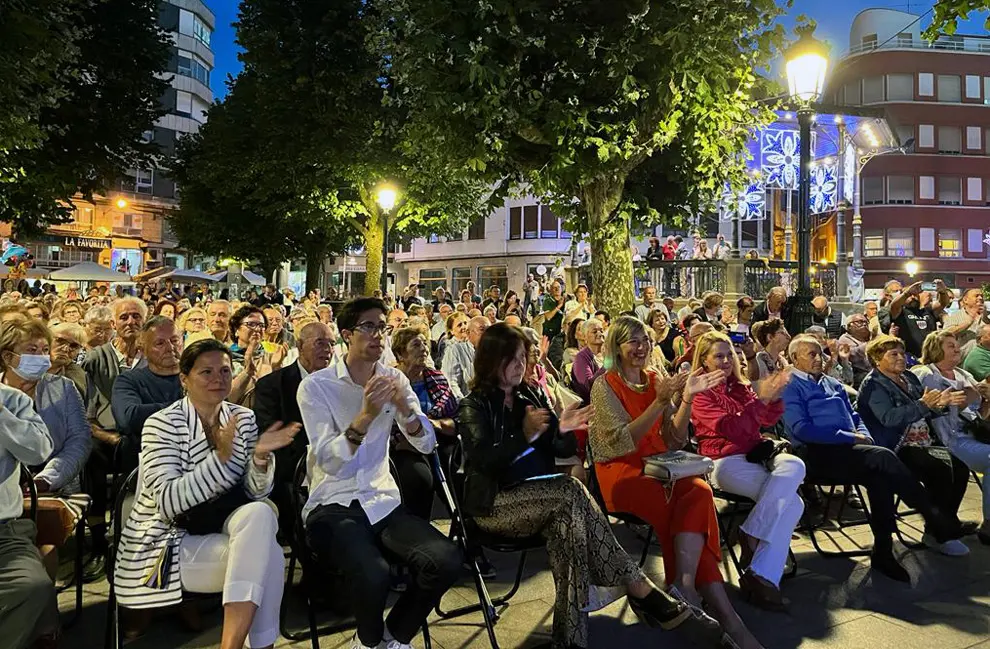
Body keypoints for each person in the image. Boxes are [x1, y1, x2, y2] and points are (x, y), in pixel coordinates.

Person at [461, 322, 714, 649]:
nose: (520, 365)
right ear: (491, 360)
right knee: (571, 491)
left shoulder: (529, 395)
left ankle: (570, 642)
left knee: (570, 531)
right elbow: (483, 462)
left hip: (545, 502)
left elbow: (562, 451)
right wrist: (523, 436)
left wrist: (562, 429)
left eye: (523, 357)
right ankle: (641, 588)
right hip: (495, 507)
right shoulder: (474, 405)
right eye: (511, 358)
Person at [297, 298, 460, 649]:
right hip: (332, 504)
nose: (378, 335)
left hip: (381, 499)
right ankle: (368, 642)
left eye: (382, 327)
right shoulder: (316, 387)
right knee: (374, 573)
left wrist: (405, 409)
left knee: (445, 559)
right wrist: (366, 415)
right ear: (346, 335)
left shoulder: (393, 378)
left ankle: (395, 635)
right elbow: (330, 462)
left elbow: (427, 445)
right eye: (368, 327)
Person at [114, 338, 298, 649]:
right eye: (207, 372)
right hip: (167, 540)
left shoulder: (243, 418)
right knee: (270, 557)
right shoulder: (162, 424)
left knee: (261, 513)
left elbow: (254, 492)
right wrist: (221, 458)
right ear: (184, 379)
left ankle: (232, 645)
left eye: (225, 371)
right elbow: (169, 502)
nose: (219, 380)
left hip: (226, 529)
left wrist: (260, 458)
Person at [588, 317, 763, 645]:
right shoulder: (605, 385)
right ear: (617, 347)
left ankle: (686, 589)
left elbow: (674, 439)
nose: (641, 348)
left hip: (662, 467)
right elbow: (621, 442)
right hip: (623, 474)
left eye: (645, 340)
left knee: (699, 491)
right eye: (632, 341)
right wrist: (658, 402)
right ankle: (722, 613)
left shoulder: (656, 378)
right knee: (678, 507)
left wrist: (687, 399)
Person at [782, 334, 964, 579]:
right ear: (794, 358)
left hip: (849, 450)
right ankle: (933, 515)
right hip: (815, 454)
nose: (820, 359)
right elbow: (802, 429)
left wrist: (863, 436)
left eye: (821, 353)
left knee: (881, 474)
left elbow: (856, 417)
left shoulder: (831, 383)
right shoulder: (790, 385)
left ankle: (884, 551)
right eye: (811, 354)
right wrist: (847, 436)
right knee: (884, 459)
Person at [690, 331, 803, 612]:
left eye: (729, 354)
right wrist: (758, 401)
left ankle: (751, 534)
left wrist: (771, 398)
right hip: (723, 461)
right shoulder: (700, 392)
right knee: (794, 503)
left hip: (755, 454)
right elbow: (731, 429)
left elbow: (765, 421)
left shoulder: (740, 387)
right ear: (704, 360)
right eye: (718, 356)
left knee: (795, 465)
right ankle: (764, 577)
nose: (726, 361)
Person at [857, 334, 971, 556]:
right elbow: (889, 419)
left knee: (960, 468)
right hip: (898, 447)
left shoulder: (909, 377)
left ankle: (940, 526)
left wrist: (941, 404)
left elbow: (927, 408)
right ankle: (942, 532)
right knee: (939, 469)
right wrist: (923, 404)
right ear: (877, 359)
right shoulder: (873, 385)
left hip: (924, 441)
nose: (901, 358)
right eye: (893, 354)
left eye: (902, 353)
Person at [1, 318, 92, 579]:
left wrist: (47, 479)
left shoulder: (63, 388)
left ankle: (44, 604)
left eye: (44, 349)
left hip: (51, 485)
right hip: (6, 487)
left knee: (44, 539)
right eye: (32, 350)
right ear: (9, 356)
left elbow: (79, 440)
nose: (42, 357)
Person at [253, 321, 334, 537]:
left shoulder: (341, 385)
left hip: (336, 464)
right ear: (299, 345)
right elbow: (269, 434)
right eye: (319, 343)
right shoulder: (272, 385)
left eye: (331, 343)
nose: (327, 349)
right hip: (293, 467)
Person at [913, 330, 990, 544]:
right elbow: (924, 408)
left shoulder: (963, 374)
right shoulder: (925, 374)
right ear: (935, 349)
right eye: (950, 346)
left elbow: (979, 414)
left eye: (956, 345)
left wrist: (986, 399)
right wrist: (971, 394)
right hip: (945, 439)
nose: (957, 349)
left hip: (972, 435)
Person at [0, 380, 56, 649]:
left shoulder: (12, 401)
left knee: (31, 586)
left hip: (4, 531)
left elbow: (38, 452)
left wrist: (1, 415)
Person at [390, 327, 458, 522]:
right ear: (400, 353)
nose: (424, 349)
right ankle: (417, 527)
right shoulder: (391, 381)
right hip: (401, 446)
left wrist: (434, 425)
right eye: (416, 345)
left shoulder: (436, 378)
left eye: (425, 344)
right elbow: (386, 426)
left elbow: (455, 418)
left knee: (458, 468)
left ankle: (463, 525)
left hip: (438, 440)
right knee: (419, 477)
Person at [110, 317, 185, 471]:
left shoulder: (199, 376)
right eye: (160, 343)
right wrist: (191, 406)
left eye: (174, 340)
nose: (170, 347)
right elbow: (129, 418)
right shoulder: (129, 380)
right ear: (143, 350)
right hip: (146, 466)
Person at [888, 280, 952, 359]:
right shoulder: (899, 312)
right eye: (909, 295)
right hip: (908, 358)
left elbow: (943, 303)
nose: (912, 297)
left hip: (930, 356)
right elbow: (894, 305)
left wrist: (943, 291)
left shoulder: (928, 310)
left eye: (914, 294)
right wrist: (907, 293)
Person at [441, 315, 489, 399]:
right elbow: (450, 381)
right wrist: (464, 404)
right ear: (468, 333)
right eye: (482, 329)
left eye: (489, 330)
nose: (487, 334)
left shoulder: (496, 351)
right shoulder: (455, 350)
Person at [48, 322, 88, 398]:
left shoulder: (75, 380)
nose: (65, 349)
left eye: (74, 346)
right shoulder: (28, 365)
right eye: (60, 341)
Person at [571, 318, 606, 404]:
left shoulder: (608, 352)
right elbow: (588, 387)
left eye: (601, 330)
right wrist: (607, 364)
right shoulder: (581, 357)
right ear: (585, 337)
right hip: (595, 405)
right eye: (594, 332)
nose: (599, 334)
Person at [945, 288, 987, 358]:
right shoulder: (955, 317)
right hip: (961, 364)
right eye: (976, 296)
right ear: (965, 300)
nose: (980, 298)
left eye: (982, 296)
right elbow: (944, 335)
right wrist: (968, 323)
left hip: (985, 362)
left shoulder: (987, 316)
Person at [750, 319, 790, 384]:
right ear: (770, 337)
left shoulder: (783, 362)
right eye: (782, 333)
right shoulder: (759, 361)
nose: (788, 336)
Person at [838, 312, 872, 388]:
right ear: (850, 326)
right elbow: (853, 356)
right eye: (860, 322)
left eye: (866, 322)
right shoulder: (844, 339)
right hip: (858, 375)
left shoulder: (872, 335)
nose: (864, 324)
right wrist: (871, 343)